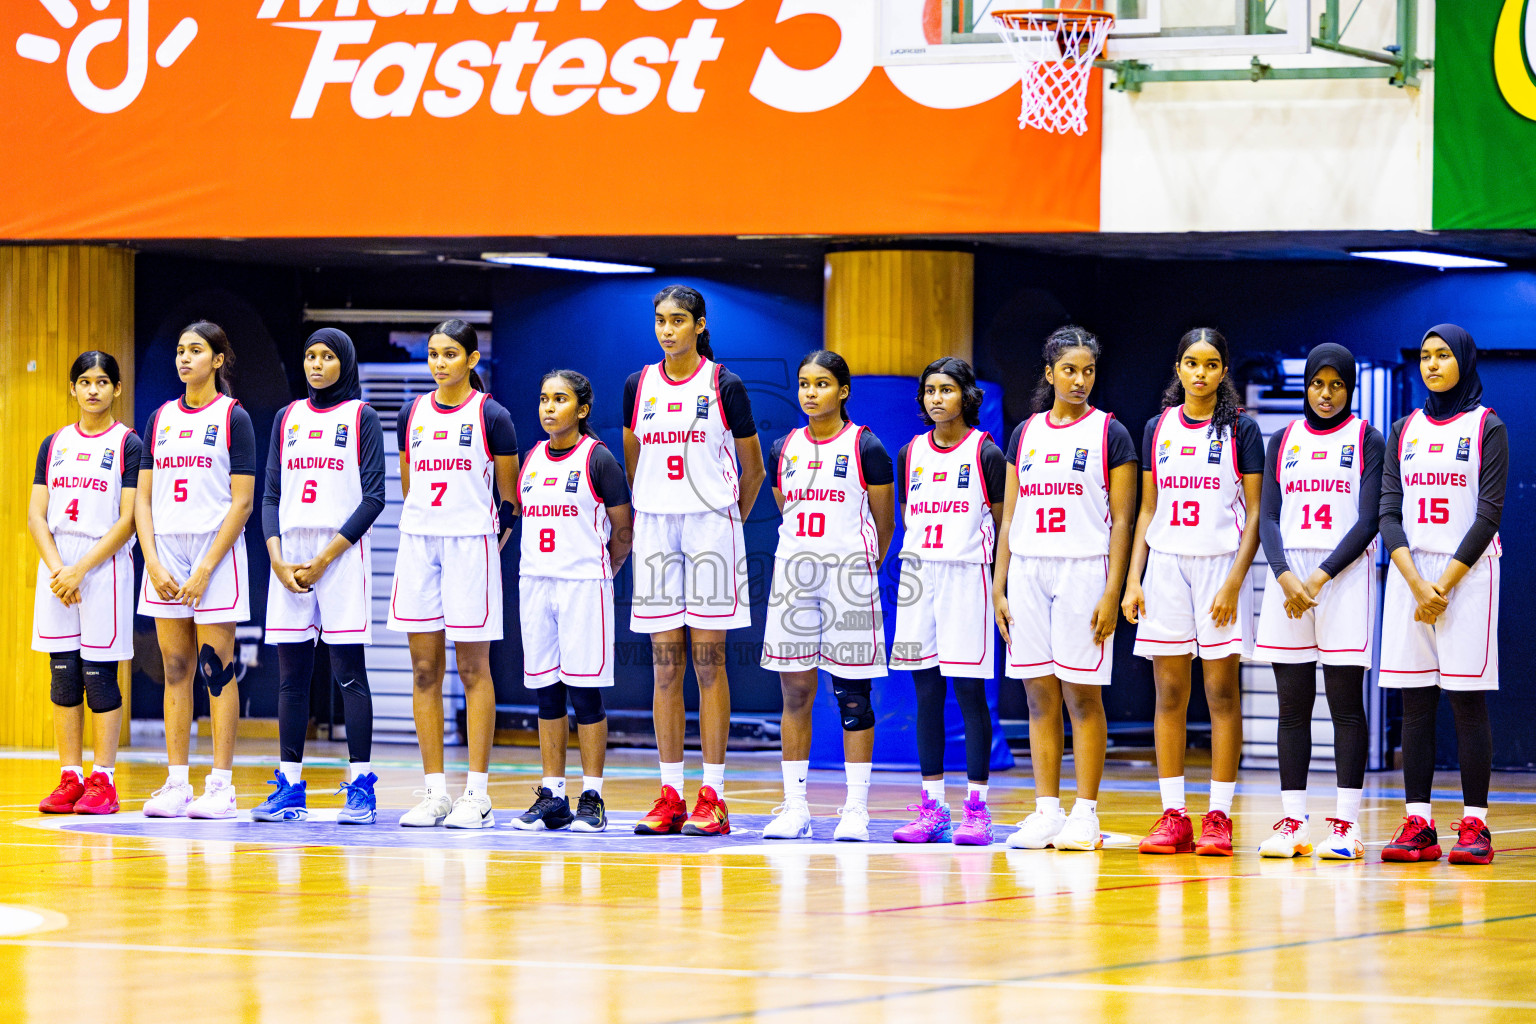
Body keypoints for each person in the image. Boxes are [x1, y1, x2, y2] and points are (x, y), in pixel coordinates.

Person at [623, 285, 766, 837]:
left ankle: (714, 795)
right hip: (657, 526)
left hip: (710, 527)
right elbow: (635, 458)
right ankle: (668, 794)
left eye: (678, 321)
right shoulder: (639, 385)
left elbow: (752, 471)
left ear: (700, 325)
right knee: (664, 666)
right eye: (660, 320)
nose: (667, 330)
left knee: (708, 663)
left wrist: (725, 519)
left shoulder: (724, 384)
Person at [1122, 327, 1265, 856]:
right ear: (1178, 369)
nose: (1199, 372)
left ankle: (1220, 816)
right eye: (1190, 362)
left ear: (1224, 371)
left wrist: (1234, 581)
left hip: (1219, 569)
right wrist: (1135, 578)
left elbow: (1254, 517)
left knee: (1222, 693)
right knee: (1169, 693)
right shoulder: (1157, 427)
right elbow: (1147, 510)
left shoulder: (1242, 432)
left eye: (1210, 364)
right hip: (1165, 567)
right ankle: (1174, 813)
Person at [996, 327, 1137, 852]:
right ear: (1050, 373)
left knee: (1082, 695)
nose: (1080, 380)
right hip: (1029, 570)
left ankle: (1085, 812)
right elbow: (1010, 516)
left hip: (1084, 569)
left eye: (1089, 371)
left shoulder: (1110, 433)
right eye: (1070, 370)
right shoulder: (1024, 433)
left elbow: (1123, 521)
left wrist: (1112, 589)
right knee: (1038, 695)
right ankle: (1046, 810)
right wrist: (999, 586)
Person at [1378, 325, 1505, 866]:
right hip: (1412, 575)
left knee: (1467, 703)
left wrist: (1443, 585)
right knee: (1415, 704)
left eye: (1443, 355)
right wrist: (1415, 582)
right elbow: (1388, 511)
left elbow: (1489, 513)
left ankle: (1476, 826)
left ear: (1464, 361)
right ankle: (1419, 823)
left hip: (1467, 575)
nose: (1432, 364)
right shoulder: (1403, 429)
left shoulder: (1486, 427)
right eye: (1426, 356)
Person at [1254, 343, 1383, 860]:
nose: (1325, 394)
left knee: (1345, 706)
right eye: (1316, 384)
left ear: (1349, 388)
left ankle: (1346, 824)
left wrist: (1321, 576)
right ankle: (1292, 821)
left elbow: (1369, 519)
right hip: (1289, 582)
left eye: (1336, 385)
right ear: (1305, 386)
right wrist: (1285, 576)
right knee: (1291, 710)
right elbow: (1267, 517)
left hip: (1344, 578)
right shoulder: (1283, 439)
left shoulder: (1367, 439)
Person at [389, 319, 520, 829]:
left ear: (471, 360)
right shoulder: (411, 412)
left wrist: (490, 544)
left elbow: (509, 497)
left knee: (473, 670)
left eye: (450, 354)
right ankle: (434, 792)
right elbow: (409, 484)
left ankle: (478, 795)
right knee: (424, 670)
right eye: (433, 354)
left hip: (471, 545)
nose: (440, 363)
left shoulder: (492, 415)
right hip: (420, 542)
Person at [252, 329, 386, 824]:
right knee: (291, 678)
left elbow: (374, 498)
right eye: (310, 355)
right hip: (289, 554)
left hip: (341, 552)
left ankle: (361, 786)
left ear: (344, 364)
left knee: (349, 671)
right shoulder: (286, 417)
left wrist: (326, 558)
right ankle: (289, 785)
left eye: (327, 357)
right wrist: (277, 557)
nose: (316, 364)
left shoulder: (361, 417)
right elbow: (269, 495)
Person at [760, 351, 895, 842]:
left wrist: (860, 568)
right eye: (803, 384)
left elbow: (885, 523)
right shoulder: (783, 448)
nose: (810, 392)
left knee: (853, 695)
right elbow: (785, 508)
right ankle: (796, 808)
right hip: (794, 576)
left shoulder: (866, 446)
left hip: (849, 578)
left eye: (821, 384)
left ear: (843, 391)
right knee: (795, 691)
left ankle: (855, 809)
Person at [138, 321, 257, 820]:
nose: (185, 359)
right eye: (181, 351)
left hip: (215, 552)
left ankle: (222, 785)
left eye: (196, 351)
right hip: (165, 552)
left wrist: (207, 566)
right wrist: (153, 560)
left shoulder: (234, 417)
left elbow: (244, 501)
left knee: (215, 668)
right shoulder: (160, 417)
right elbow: (141, 498)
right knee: (174, 668)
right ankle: (176, 782)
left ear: (218, 359)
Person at [890, 357, 1006, 846]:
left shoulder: (987, 453)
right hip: (921, 575)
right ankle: (933, 809)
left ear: (966, 396)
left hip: (967, 577)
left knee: (969, 695)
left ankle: (977, 811)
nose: (937, 398)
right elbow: (906, 518)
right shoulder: (908, 453)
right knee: (926, 695)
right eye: (930, 391)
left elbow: (1004, 527)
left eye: (947, 390)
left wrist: (1001, 586)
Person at [512, 370, 633, 834]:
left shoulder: (598, 459)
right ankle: (553, 795)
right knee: (547, 691)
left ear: (581, 409)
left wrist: (604, 573)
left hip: (583, 584)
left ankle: (593, 797)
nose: (548, 407)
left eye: (559, 399)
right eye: (543, 398)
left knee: (585, 693)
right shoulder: (532, 459)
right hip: (536, 582)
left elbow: (623, 533)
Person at [30, 352, 140, 816]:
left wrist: (81, 569)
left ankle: (104, 779)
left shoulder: (128, 444)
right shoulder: (53, 444)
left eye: (102, 382)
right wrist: (59, 568)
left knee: (99, 676)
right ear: (72, 389)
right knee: (63, 675)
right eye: (84, 381)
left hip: (104, 565)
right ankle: (70, 776)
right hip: (58, 568)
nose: (93, 389)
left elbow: (129, 518)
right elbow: (36, 514)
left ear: (116, 389)